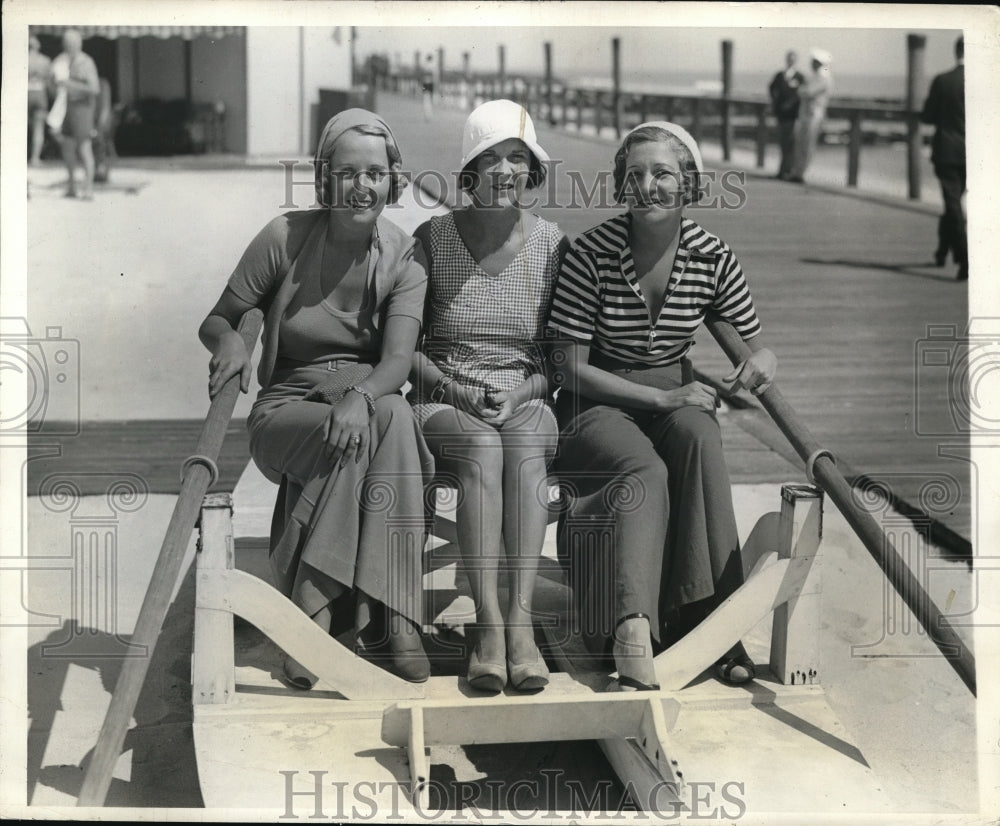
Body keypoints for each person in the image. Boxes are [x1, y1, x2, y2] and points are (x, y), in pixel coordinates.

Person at [199, 109, 434, 689]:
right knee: (389, 421)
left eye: (375, 173)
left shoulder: (404, 257)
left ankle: (321, 619)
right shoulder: (285, 237)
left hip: (365, 405)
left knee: (390, 414)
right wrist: (229, 341)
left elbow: (397, 363)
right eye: (348, 172)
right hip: (286, 411)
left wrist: (358, 393)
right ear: (325, 179)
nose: (362, 186)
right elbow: (217, 318)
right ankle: (379, 615)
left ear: (392, 181)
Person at [547, 122, 777, 692]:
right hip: (593, 400)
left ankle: (714, 626)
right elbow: (568, 368)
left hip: (671, 396)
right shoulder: (591, 253)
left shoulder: (711, 255)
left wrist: (765, 358)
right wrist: (661, 395)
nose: (647, 186)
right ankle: (632, 626)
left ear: (688, 185)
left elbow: (752, 340)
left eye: (662, 173)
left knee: (701, 438)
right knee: (643, 468)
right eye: (635, 175)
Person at [409, 100, 568, 693]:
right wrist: (458, 389)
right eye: (491, 158)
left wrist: (526, 389)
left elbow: (562, 355)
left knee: (523, 441)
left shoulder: (554, 245)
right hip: (446, 393)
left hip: (526, 391)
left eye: (518, 158)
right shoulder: (433, 238)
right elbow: (409, 351)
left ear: (532, 172)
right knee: (480, 445)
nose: (505, 170)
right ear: (470, 171)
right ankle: (487, 625)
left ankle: (520, 623)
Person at [921, 36, 967, 281]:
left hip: (948, 151)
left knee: (952, 204)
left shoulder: (942, 81)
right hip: (979, 154)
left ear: (955, 50)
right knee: (954, 204)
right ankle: (941, 252)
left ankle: (964, 258)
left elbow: (927, 116)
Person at [50, 30, 101, 199]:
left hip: (82, 109)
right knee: (67, 148)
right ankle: (72, 186)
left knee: (84, 148)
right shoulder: (61, 61)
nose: (68, 46)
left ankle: (88, 189)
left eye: (71, 43)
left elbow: (94, 89)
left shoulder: (86, 62)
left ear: (79, 44)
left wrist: (69, 84)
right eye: (66, 43)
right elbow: (54, 85)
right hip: (67, 108)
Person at [787, 48, 833, 184]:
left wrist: (800, 89)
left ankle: (800, 173)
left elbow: (807, 92)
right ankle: (797, 172)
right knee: (801, 143)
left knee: (807, 145)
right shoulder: (817, 75)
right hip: (807, 114)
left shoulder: (823, 76)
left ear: (819, 63)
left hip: (814, 115)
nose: (811, 63)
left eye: (814, 61)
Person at [768, 50, 805, 181]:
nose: (791, 61)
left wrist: (792, 103)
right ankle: (783, 170)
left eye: (793, 59)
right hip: (781, 114)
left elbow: (803, 94)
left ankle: (787, 170)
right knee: (783, 142)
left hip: (793, 115)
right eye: (789, 59)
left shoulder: (800, 76)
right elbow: (772, 88)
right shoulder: (780, 75)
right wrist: (776, 102)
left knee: (791, 142)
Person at [28, 35, 51, 166]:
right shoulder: (45, 61)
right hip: (39, 93)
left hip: (24, 93)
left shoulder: (20, 59)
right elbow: (49, 82)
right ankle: (35, 158)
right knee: (38, 128)